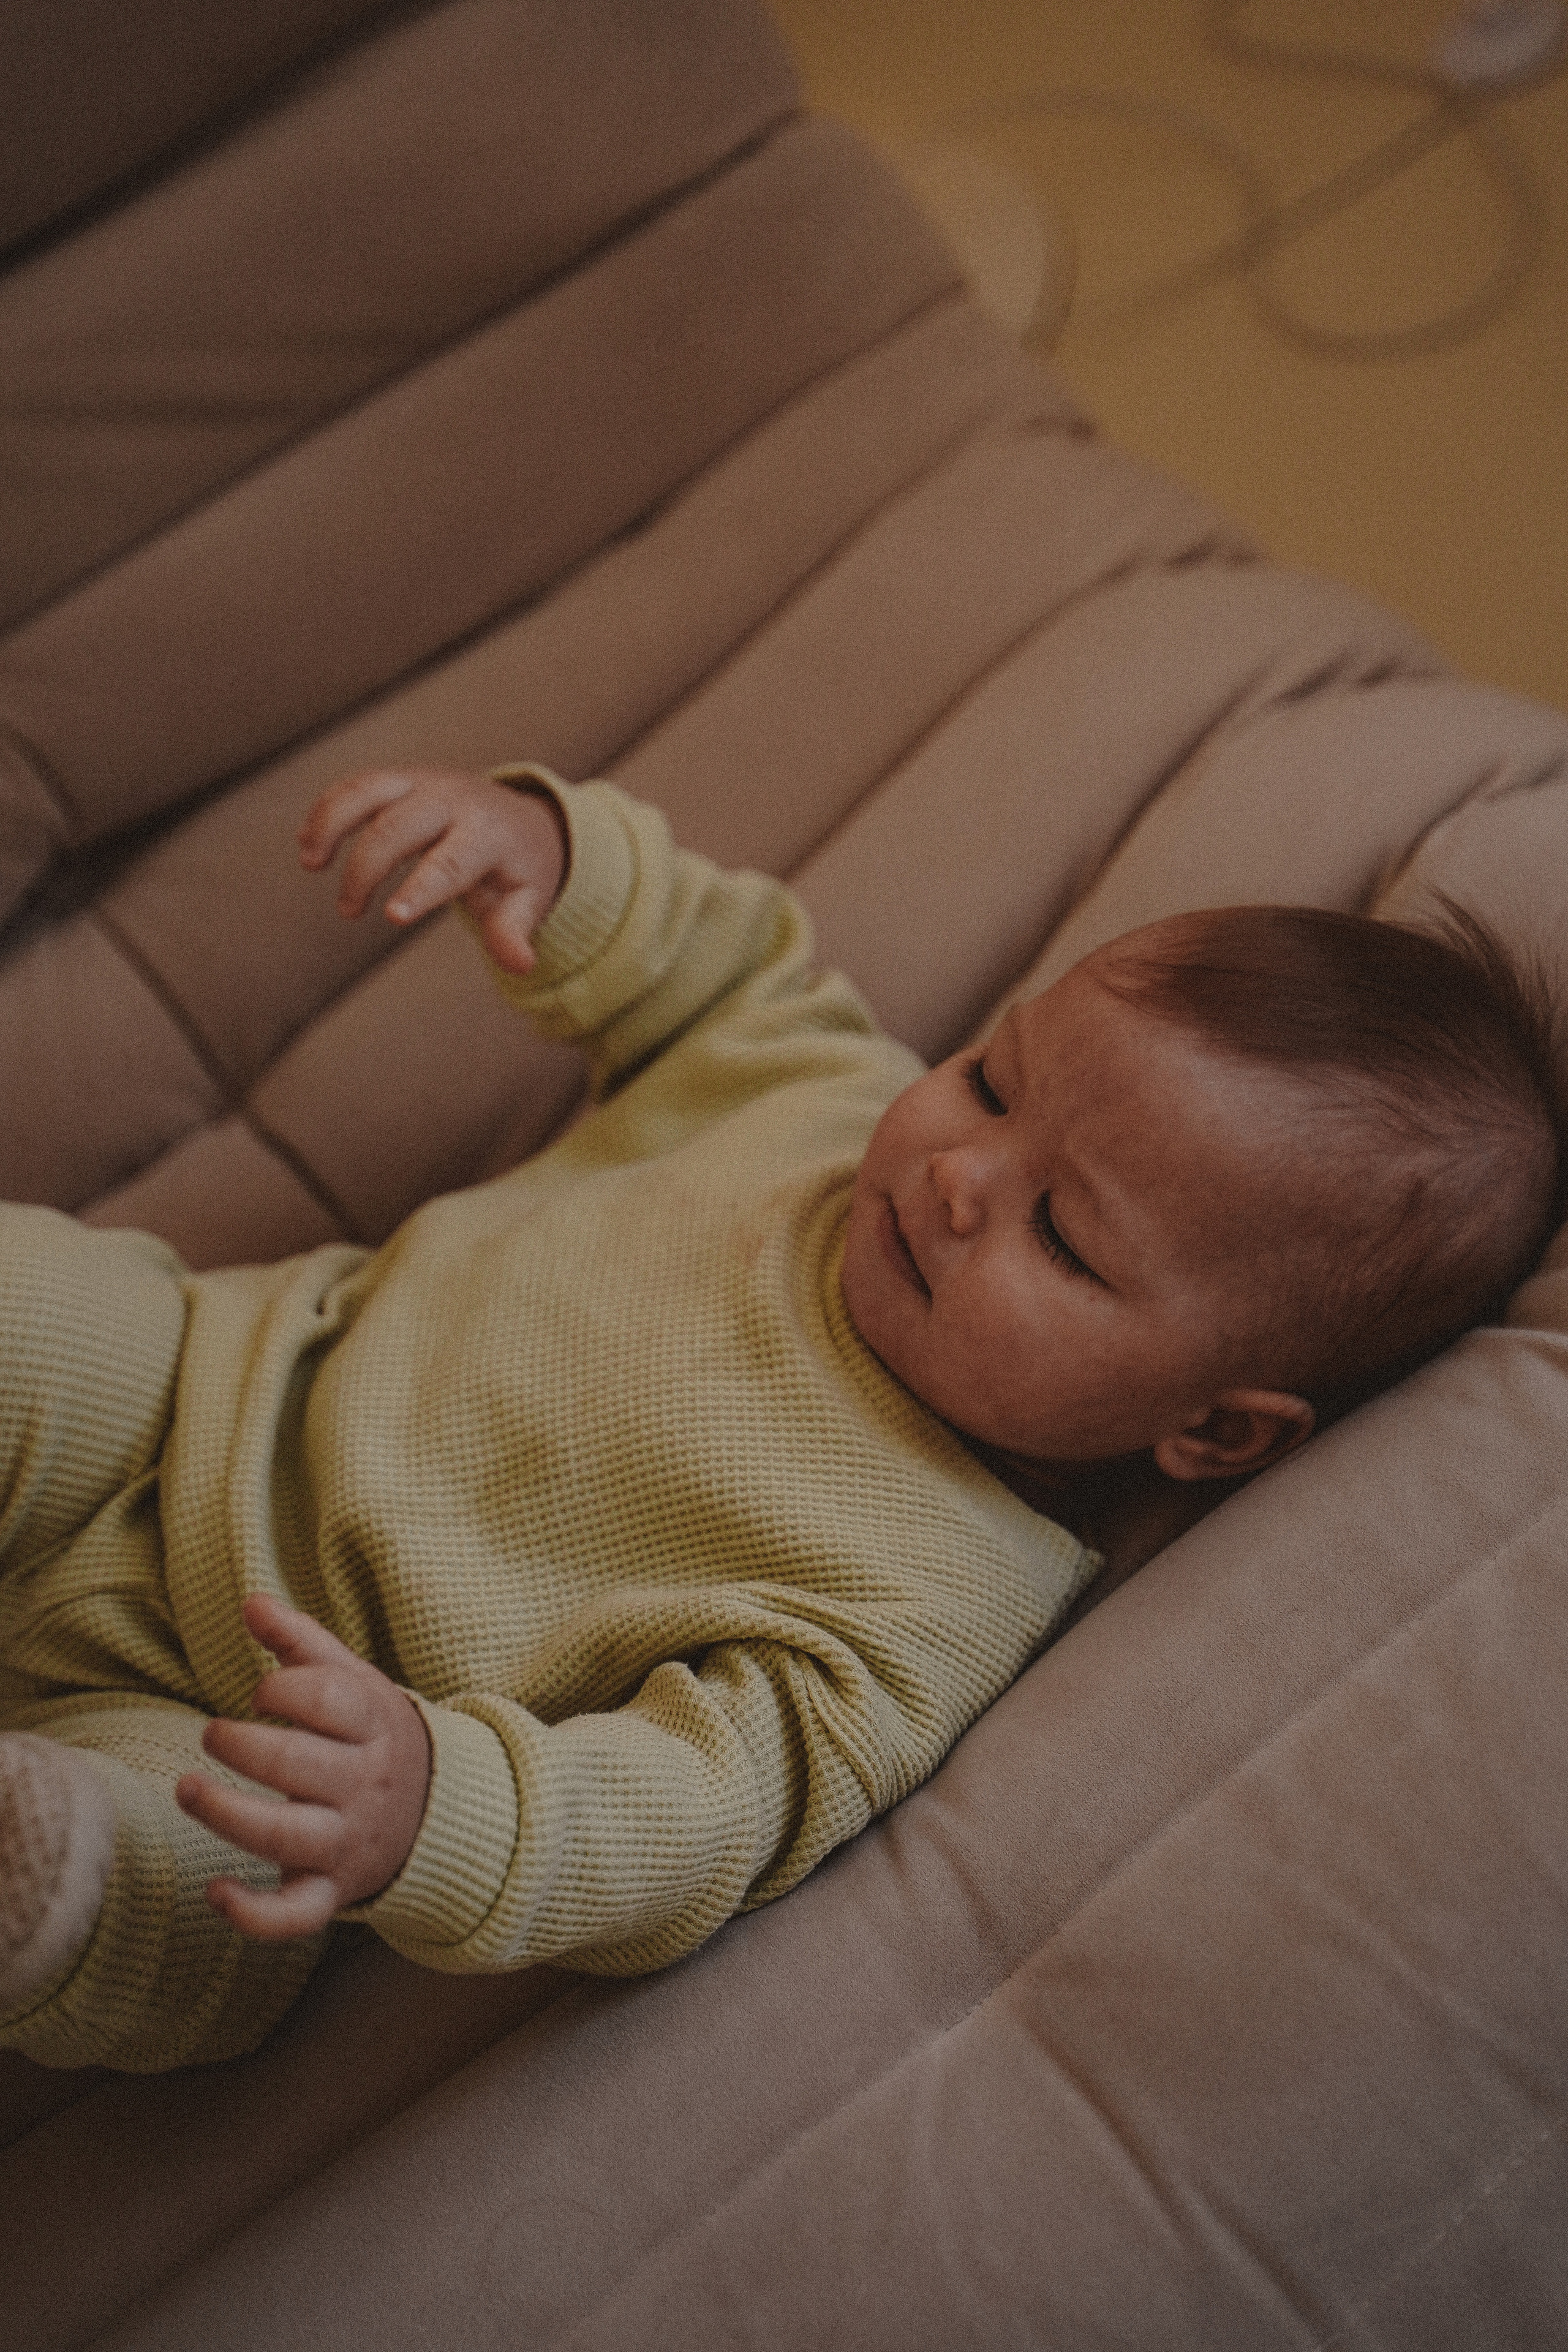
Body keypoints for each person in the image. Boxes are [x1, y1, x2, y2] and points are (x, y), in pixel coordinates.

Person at [1, 766, 1559, 2073]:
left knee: (200, 1897)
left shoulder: (935, 1594)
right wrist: (553, 856)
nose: (958, 1173)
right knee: (30, 1313)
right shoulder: (813, 1095)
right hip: (188, 1385)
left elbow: (695, 1815)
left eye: (1064, 1238)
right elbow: (725, 965)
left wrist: (436, 1809)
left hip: (276, 1715)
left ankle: (44, 1850)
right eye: (992, 1083)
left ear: (1212, 1432)